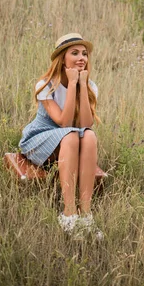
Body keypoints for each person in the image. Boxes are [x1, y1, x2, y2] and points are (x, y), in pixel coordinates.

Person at [19, 32, 103, 240]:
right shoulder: (46, 85)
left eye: (84, 53)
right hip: (40, 138)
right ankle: (68, 214)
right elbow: (64, 122)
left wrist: (82, 85)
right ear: (62, 58)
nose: (82, 58)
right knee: (72, 136)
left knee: (89, 136)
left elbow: (85, 123)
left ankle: (86, 215)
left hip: (69, 137)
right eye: (74, 53)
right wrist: (72, 84)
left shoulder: (90, 86)